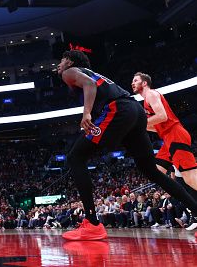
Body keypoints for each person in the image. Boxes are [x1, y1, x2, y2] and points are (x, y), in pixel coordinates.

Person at [57, 50, 197, 240]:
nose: (59, 64)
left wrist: (87, 113)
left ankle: (92, 224)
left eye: (62, 60)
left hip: (118, 111)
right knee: (151, 171)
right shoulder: (94, 74)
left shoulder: (70, 72)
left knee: (75, 156)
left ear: (70, 62)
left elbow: (89, 85)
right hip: (135, 112)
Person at [131, 72, 197, 230]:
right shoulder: (146, 101)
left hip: (175, 135)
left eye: (135, 80)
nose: (132, 83)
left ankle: (193, 209)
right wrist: (137, 126)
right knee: (156, 171)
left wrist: (141, 122)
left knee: (190, 178)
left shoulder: (151, 95)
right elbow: (156, 126)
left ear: (145, 83)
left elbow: (162, 116)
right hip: (168, 139)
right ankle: (192, 207)